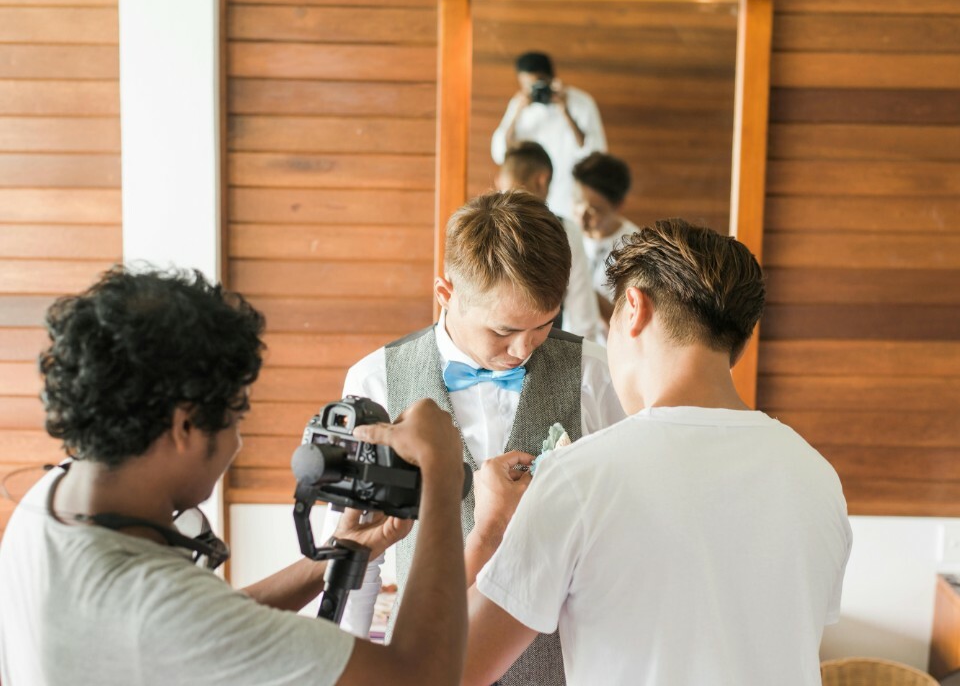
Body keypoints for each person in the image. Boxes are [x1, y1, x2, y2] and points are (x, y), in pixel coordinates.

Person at [0, 266, 469, 686]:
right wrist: (442, 478)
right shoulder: (150, 607)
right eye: (233, 418)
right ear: (185, 426)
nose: (236, 443)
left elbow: (208, 622)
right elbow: (422, 676)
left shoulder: (50, 501)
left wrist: (336, 558)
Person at [462, 219, 853, 686]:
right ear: (741, 339)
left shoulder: (580, 476)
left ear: (633, 308)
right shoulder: (817, 477)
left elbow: (455, 668)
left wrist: (487, 532)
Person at [338, 191, 626, 686]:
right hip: (430, 665)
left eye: (543, 325)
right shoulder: (375, 382)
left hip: (571, 668)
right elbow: (357, 552)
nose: (523, 349)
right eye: (504, 330)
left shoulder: (597, 374)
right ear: (446, 293)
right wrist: (348, 665)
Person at [496, 141, 601, 342]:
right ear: (542, 180)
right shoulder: (565, 231)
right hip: (543, 352)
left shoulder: (475, 226)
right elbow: (584, 319)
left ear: (500, 178)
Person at [491, 51, 606, 220]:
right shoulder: (519, 105)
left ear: (551, 79)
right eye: (526, 86)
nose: (532, 91)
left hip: (569, 195)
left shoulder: (581, 102)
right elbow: (500, 153)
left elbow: (595, 153)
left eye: (537, 85)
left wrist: (565, 111)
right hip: (530, 196)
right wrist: (517, 113)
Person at [572, 151, 639, 339]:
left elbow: (629, 323)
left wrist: (579, 285)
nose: (582, 218)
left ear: (619, 205)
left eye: (594, 210)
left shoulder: (634, 249)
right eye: (577, 203)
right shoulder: (568, 233)